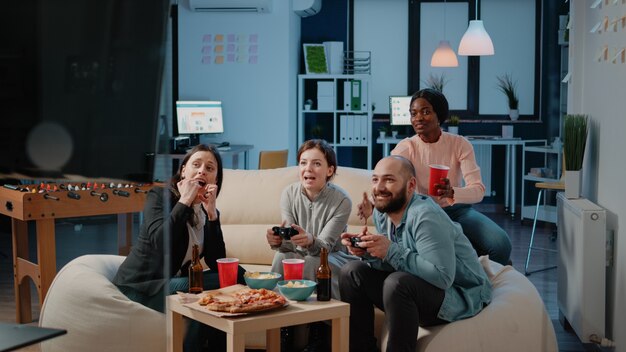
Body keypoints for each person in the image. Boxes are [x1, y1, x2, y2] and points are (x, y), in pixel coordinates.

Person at [340, 156, 492, 352]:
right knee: (351, 272)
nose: (379, 187)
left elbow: (443, 277)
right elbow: (396, 261)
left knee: (397, 283)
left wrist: (390, 250)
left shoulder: (425, 216)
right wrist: (369, 252)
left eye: (389, 179)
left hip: (461, 292)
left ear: (411, 185)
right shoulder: (382, 212)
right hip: (416, 287)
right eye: (375, 179)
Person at [113, 144, 245, 352]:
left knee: (230, 278)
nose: (202, 170)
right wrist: (184, 200)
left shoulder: (206, 209)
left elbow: (215, 260)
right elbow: (159, 243)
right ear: (183, 170)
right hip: (142, 285)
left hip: (172, 282)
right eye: (196, 164)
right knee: (221, 284)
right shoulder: (160, 197)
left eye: (210, 168)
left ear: (216, 180)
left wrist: (212, 215)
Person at [360, 88, 511, 265]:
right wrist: (373, 201)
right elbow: (386, 179)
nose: (418, 118)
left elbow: (478, 190)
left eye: (426, 112)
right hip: (420, 213)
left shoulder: (460, 144)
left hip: (456, 211)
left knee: (501, 245)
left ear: (439, 115)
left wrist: (452, 192)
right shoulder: (406, 147)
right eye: (413, 113)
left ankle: (475, 273)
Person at [266, 139, 355, 351]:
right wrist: (277, 241)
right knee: (281, 258)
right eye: (303, 162)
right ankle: (281, 327)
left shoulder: (342, 200)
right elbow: (288, 242)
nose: (308, 168)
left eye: (316, 163)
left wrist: (311, 240)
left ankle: (319, 330)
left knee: (315, 260)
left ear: (329, 170)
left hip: (332, 256)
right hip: (299, 252)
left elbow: (326, 246)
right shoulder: (289, 193)